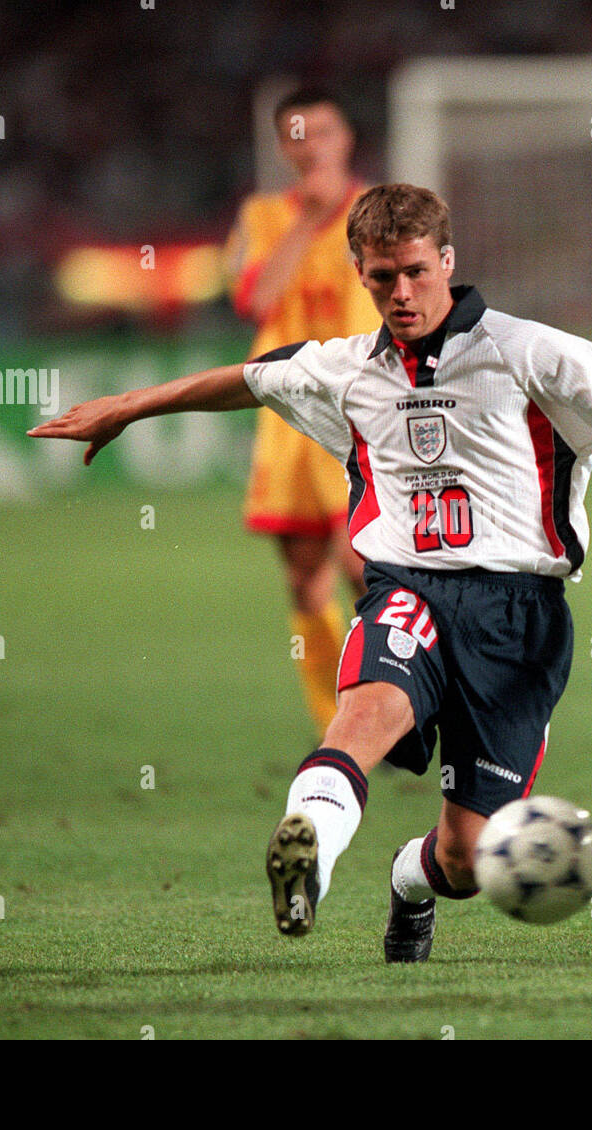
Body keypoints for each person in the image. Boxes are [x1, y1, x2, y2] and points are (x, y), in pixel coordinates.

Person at [30, 183, 592, 964]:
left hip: (517, 619)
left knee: (467, 859)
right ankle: (309, 854)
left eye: (416, 271)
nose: (401, 292)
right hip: (406, 591)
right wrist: (128, 405)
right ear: (360, 273)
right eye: (382, 276)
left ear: (447, 262)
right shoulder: (349, 368)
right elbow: (249, 377)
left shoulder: (525, 351)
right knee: (360, 720)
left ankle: (406, 882)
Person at [226, 87, 378, 739]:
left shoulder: (379, 210)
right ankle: (334, 726)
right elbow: (254, 299)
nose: (311, 143)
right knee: (305, 578)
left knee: (366, 567)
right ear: (285, 149)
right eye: (297, 134)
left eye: (323, 130)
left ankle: (391, 701)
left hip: (364, 409)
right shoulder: (261, 217)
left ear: (346, 139)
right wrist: (307, 224)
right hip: (289, 414)